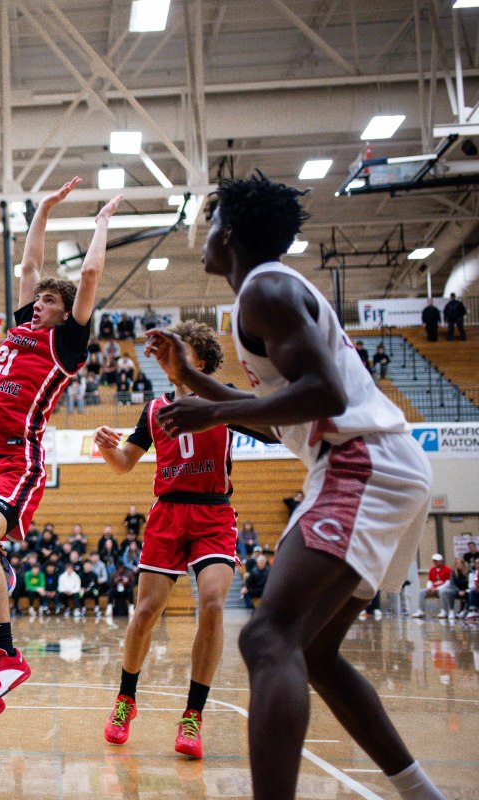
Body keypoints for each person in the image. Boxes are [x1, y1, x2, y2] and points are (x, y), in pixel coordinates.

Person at [151, 174, 444, 800]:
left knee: (265, 636)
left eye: (210, 223)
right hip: (374, 464)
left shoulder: (265, 290)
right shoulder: (265, 295)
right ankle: (422, 792)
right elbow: (283, 411)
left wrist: (218, 414)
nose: (203, 237)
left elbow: (327, 394)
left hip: (362, 462)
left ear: (227, 231)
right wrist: (190, 381)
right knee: (310, 652)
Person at [0, 179, 120, 738]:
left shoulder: (65, 342)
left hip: (15, 460)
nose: (38, 300)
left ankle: (7, 654)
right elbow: (29, 262)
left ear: (65, 313)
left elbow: (89, 276)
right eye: (37, 298)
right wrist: (42, 208)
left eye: (49, 299)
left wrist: (99, 224)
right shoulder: (19, 329)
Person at [95, 320, 248, 759]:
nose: (164, 361)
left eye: (173, 352)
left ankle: (193, 716)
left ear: (198, 360)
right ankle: (126, 699)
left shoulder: (223, 396)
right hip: (167, 513)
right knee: (145, 611)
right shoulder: (152, 409)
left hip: (214, 512)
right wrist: (108, 445)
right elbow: (125, 462)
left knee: (214, 605)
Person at [413, 554, 456, 620]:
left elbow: (448, 583)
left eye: (437, 561)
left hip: (442, 589)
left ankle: (443, 611)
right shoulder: (432, 570)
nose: (435, 563)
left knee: (442, 592)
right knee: (421, 592)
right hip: (433, 589)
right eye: (434, 561)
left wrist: (437, 589)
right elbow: (430, 581)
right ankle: (421, 611)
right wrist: (429, 588)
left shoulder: (447, 569)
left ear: (441, 561)